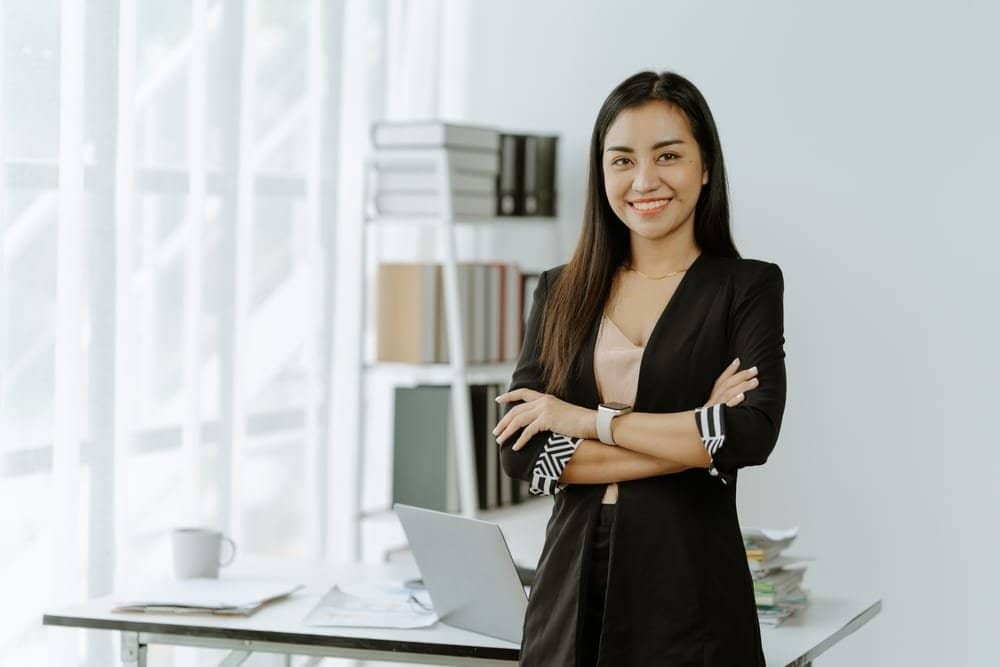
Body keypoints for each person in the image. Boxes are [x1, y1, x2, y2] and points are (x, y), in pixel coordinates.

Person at [494, 70, 786, 666]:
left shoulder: (745, 286)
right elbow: (521, 454)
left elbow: (750, 435)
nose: (644, 180)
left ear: (705, 168)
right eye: (622, 160)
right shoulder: (559, 292)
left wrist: (583, 420)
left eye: (669, 156)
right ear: (601, 174)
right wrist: (696, 432)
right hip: (569, 582)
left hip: (689, 584)